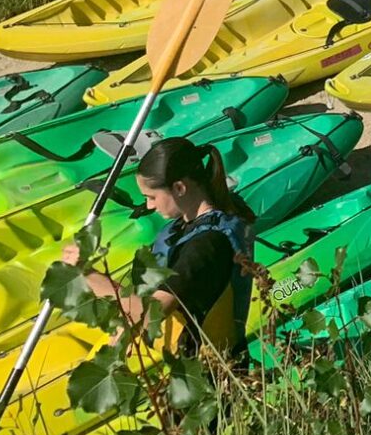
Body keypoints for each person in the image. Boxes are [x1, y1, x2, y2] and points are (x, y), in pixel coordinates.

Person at [61, 136, 255, 359]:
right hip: (175, 359)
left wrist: (87, 273)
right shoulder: (183, 227)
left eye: (151, 197)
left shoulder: (208, 245)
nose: (148, 206)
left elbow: (151, 314)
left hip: (209, 377)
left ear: (180, 187)